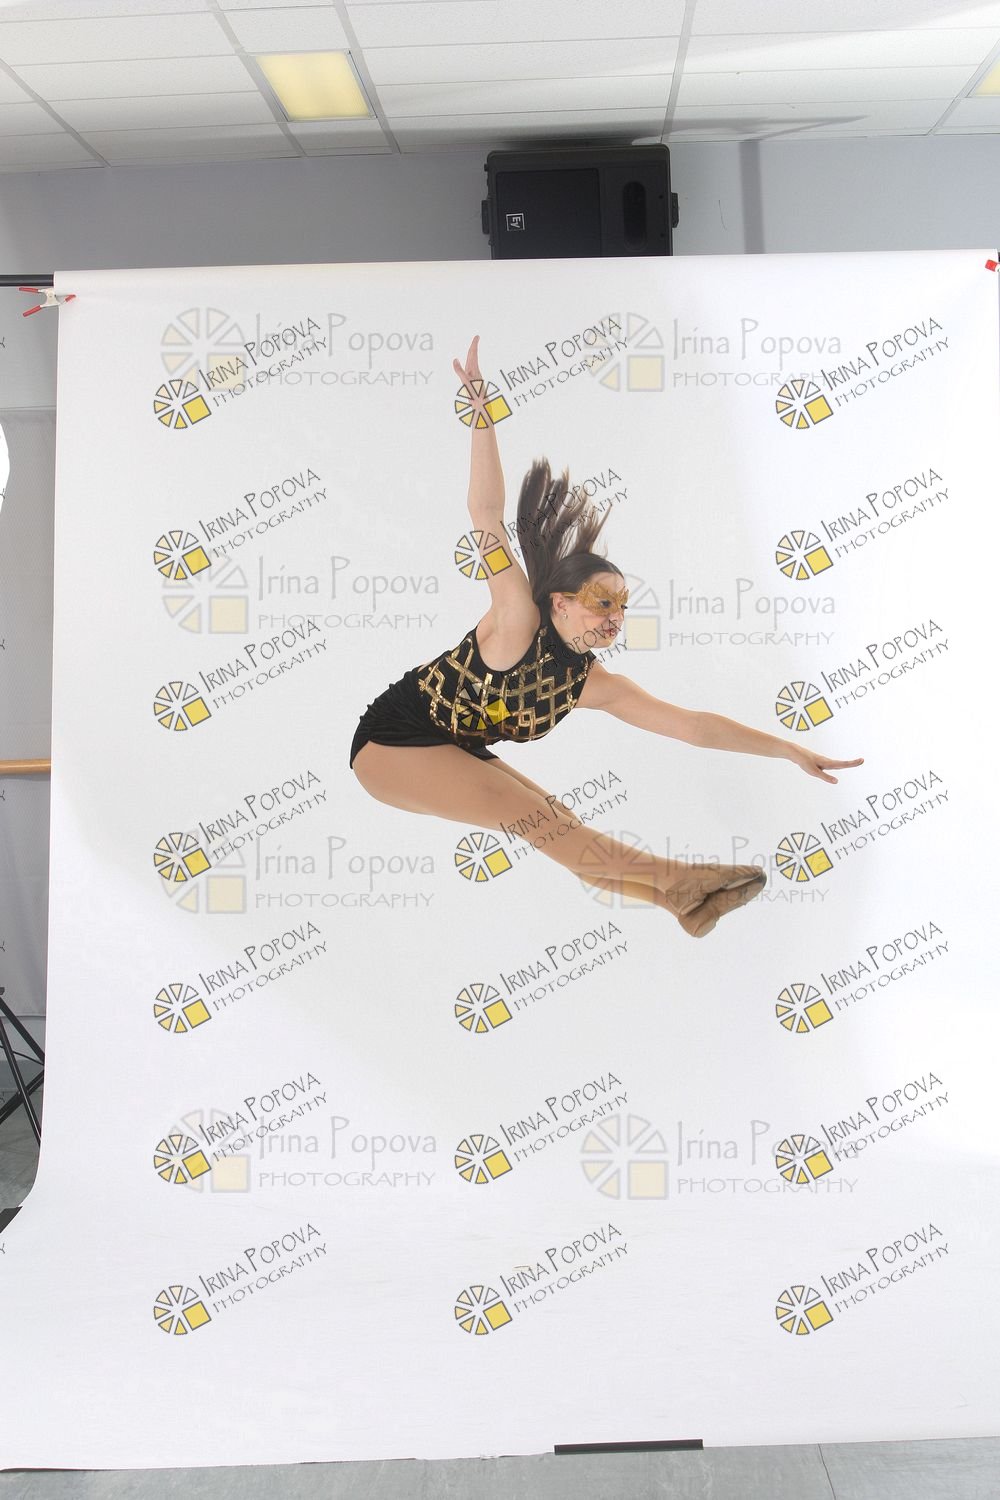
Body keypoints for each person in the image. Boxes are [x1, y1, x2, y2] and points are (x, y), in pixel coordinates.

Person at [350, 336, 863, 937]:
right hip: (390, 744)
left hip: (453, 745)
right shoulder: (517, 618)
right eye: (601, 601)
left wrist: (786, 750)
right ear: (561, 602)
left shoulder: (592, 683)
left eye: (622, 604)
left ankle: (682, 905)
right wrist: (481, 412)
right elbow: (484, 513)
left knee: (561, 825)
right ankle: (683, 878)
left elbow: (694, 727)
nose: (614, 615)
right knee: (547, 828)